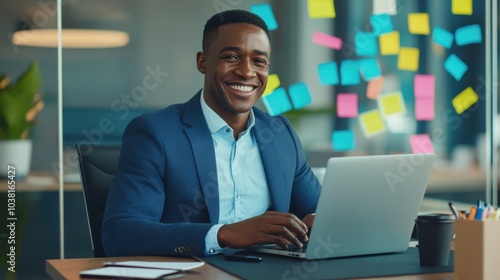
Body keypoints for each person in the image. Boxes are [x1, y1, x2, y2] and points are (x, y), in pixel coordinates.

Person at [102, 9, 321, 257]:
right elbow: (120, 235)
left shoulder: (280, 134)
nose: (247, 72)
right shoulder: (156, 134)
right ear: (203, 62)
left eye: (258, 61)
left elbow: (318, 211)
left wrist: (319, 221)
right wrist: (223, 234)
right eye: (231, 57)